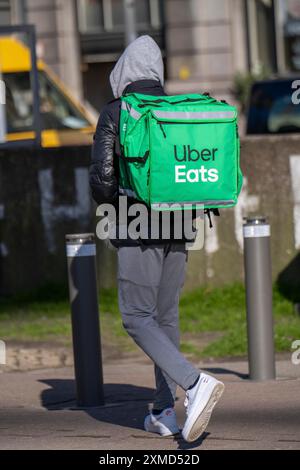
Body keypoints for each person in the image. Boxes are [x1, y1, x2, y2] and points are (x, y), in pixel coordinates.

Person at [89, 35, 224, 443]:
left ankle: (194, 383)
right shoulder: (174, 110)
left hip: (136, 223)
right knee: (165, 319)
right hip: (181, 222)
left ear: (123, 72)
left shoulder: (117, 112)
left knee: (136, 316)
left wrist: (118, 207)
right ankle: (166, 412)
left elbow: (102, 182)